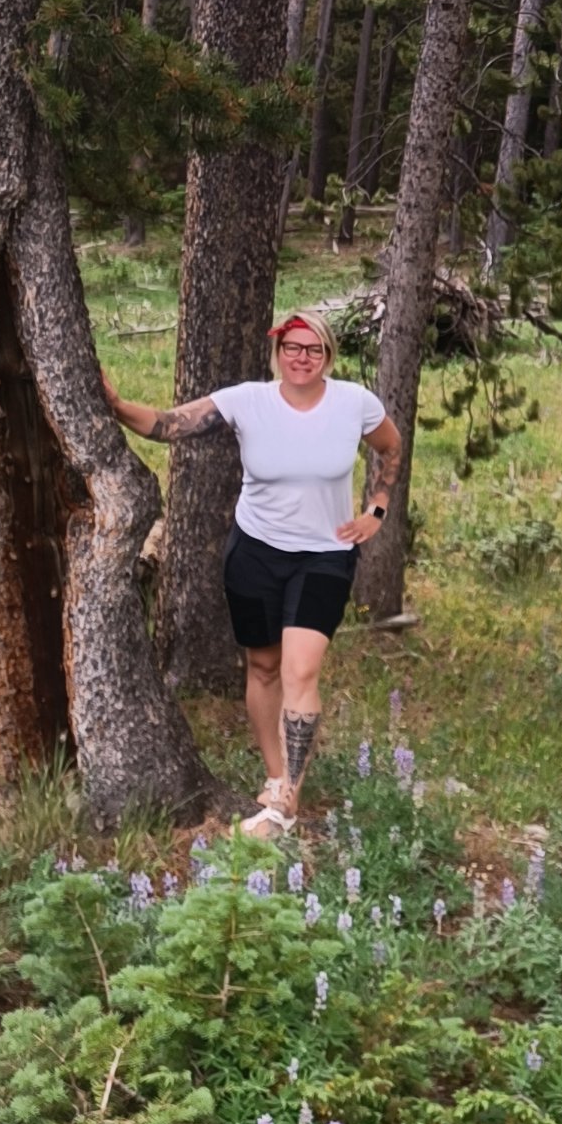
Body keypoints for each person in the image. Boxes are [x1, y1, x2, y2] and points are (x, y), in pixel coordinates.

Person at [102, 309, 401, 838]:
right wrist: (118, 405)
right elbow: (169, 425)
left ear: (328, 355)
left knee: (300, 671)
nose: (302, 358)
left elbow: (390, 447)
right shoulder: (247, 401)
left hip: (324, 556)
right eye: (293, 348)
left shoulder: (354, 403)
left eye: (313, 349)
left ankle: (286, 801)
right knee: (263, 667)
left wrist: (376, 509)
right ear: (278, 352)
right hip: (255, 552)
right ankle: (275, 774)